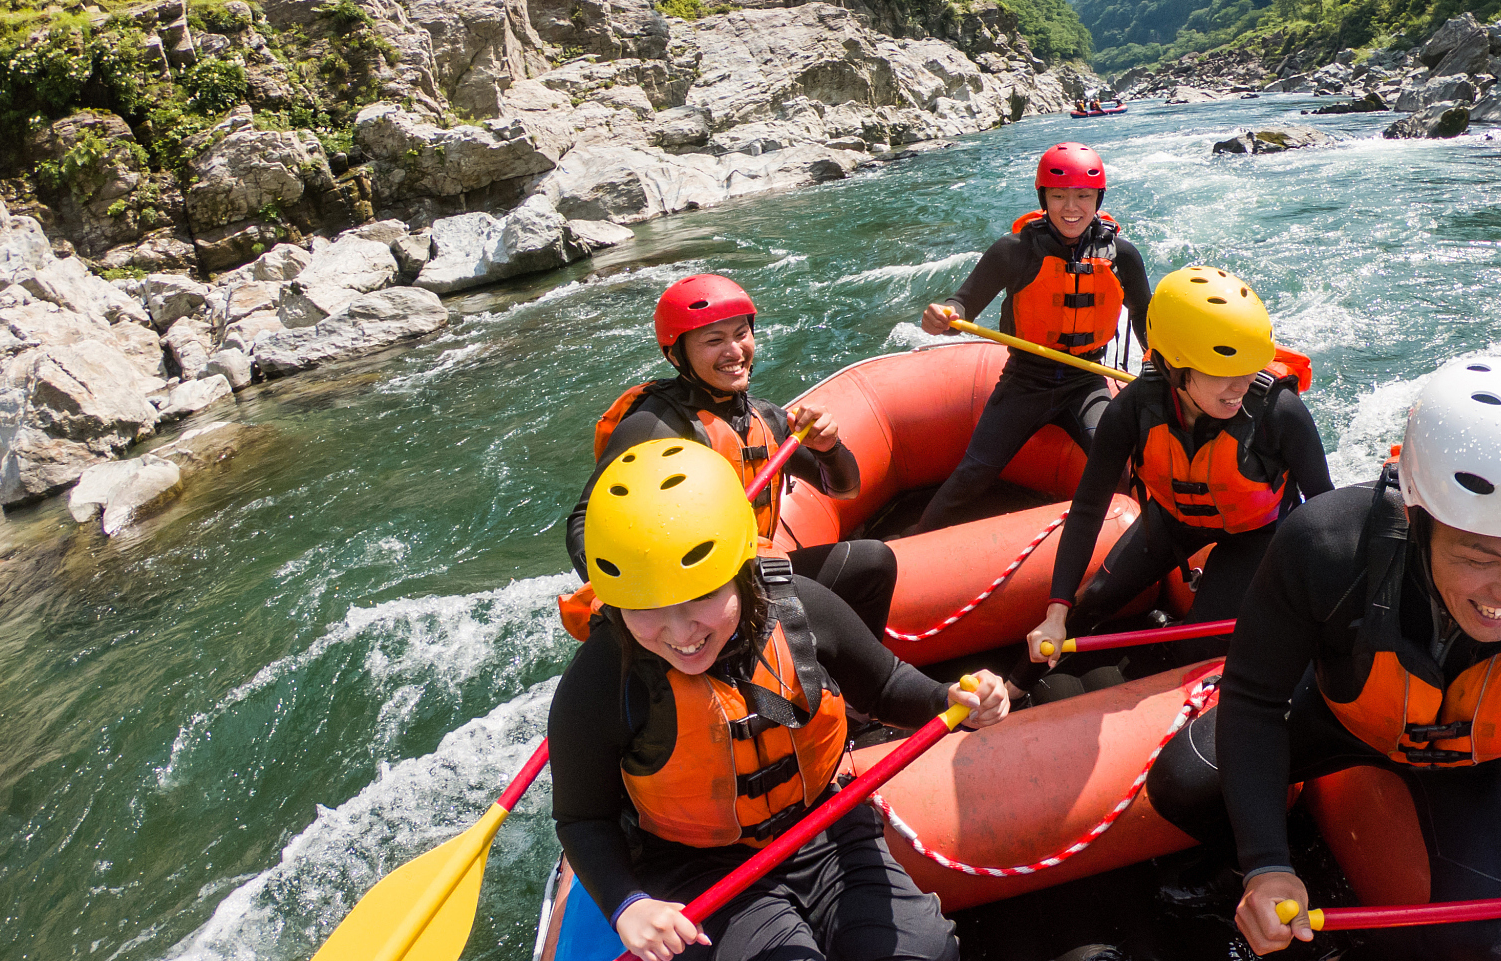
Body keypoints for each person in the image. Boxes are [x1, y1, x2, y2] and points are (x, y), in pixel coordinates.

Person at [1143, 355, 1501, 961]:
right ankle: (1278, 851)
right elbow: (1252, 698)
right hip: (1342, 716)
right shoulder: (1327, 549)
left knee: (1477, 949)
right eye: (1480, 557)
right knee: (1180, 786)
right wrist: (1266, 861)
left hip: (1481, 763)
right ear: (1414, 516)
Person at [549, 440, 1013, 961]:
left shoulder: (802, 607)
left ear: (740, 570)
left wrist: (951, 699)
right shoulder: (600, 683)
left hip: (821, 830)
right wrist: (627, 904)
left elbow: (889, 686)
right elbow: (580, 818)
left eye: (700, 595)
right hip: (700, 869)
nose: (680, 630)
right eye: (646, 609)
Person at [1017, 266, 1333, 692]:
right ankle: (1015, 688)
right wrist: (1055, 611)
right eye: (1222, 372)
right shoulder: (1131, 410)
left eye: (1248, 368)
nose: (1240, 386)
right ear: (1173, 367)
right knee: (1090, 603)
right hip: (1172, 519)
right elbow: (1089, 508)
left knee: (1201, 645)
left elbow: (1323, 510)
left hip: (1256, 534)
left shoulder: (1279, 412)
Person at [567, 273, 897, 638]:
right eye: (714, 340)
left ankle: (838, 683)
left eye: (741, 334)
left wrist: (828, 449)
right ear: (676, 355)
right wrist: (641, 598)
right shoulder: (653, 425)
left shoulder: (765, 418)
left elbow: (845, 490)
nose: (735, 352)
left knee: (873, 563)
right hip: (692, 593)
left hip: (752, 571)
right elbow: (584, 520)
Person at [913, 143, 1153, 533]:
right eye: (1058, 196)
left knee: (1121, 468)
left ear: (1098, 198)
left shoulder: (1121, 254)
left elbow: (1145, 318)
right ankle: (913, 537)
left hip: (1086, 378)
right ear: (1043, 198)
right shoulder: (1014, 251)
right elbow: (962, 302)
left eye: (1083, 196)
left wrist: (1161, 364)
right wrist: (944, 316)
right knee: (975, 473)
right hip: (1025, 379)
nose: (1070, 207)